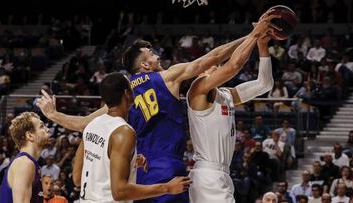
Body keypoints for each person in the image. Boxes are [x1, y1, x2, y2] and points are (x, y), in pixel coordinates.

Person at [36, 14, 270, 203]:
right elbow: (212, 58)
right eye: (152, 54)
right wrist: (251, 34)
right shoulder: (167, 78)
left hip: (140, 175)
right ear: (146, 65)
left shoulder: (124, 95)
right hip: (168, 167)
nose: (157, 55)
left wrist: (53, 114)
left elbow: (84, 123)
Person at [186, 11, 278, 202]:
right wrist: (254, 34)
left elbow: (265, 84)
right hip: (208, 173)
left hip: (222, 173)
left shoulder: (226, 95)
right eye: (212, 64)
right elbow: (233, 67)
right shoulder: (197, 89)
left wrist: (262, 45)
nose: (216, 66)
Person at [68, 73, 191, 202]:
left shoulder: (92, 125)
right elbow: (120, 192)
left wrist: (130, 161)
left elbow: (77, 179)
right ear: (127, 93)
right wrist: (167, 188)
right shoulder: (123, 132)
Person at [0, 112, 50, 203]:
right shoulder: (24, 163)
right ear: (29, 135)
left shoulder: (30, 163)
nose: (48, 130)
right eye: (42, 126)